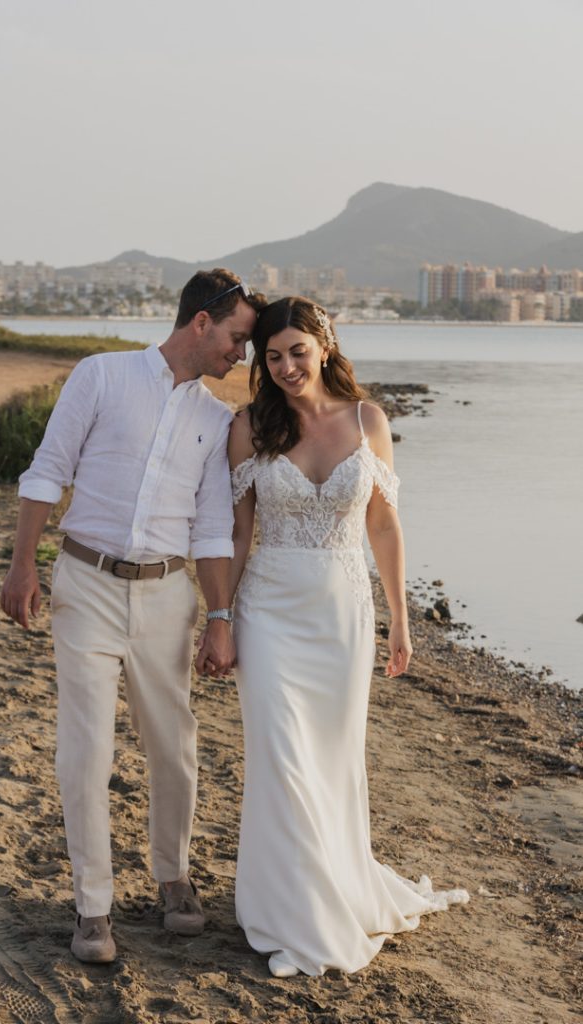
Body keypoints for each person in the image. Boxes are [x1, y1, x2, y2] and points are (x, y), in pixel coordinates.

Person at [0, 268, 264, 963]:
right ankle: (93, 906)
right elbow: (48, 468)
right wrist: (23, 563)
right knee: (85, 752)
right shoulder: (102, 375)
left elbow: (211, 527)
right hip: (84, 583)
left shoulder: (216, 420)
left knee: (173, 744)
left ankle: (172, 875)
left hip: (165, 596)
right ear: (201, 322)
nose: (239, 355)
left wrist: (218, 617)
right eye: (237, 339)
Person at [228, 297, 468, 978]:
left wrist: (400, 616)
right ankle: (289, 910)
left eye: (295, 351)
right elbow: (237, 530)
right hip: (267, 611)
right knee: (282, 760)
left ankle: (332, 885)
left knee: (331, 763)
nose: (283, 367)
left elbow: (383, 527)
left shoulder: (368, 420)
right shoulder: (249, 427)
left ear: (324, 347)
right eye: (270, 356)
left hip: (340, 617)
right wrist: (216, 616)